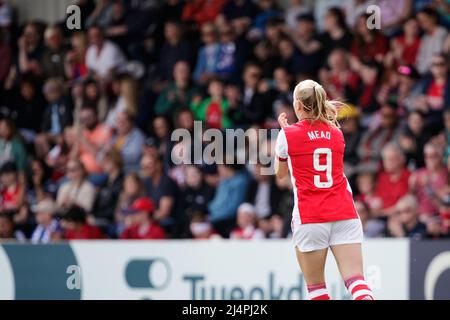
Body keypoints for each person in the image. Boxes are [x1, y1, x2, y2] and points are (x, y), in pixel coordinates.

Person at [274, 79, 374, 300]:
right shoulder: (336, 133)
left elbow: (280, 174)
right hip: (344, 213)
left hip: (311, 217)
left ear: (298, 105)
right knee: (357, 281)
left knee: (317, 289)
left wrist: (284, 137)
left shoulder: (287, 135)